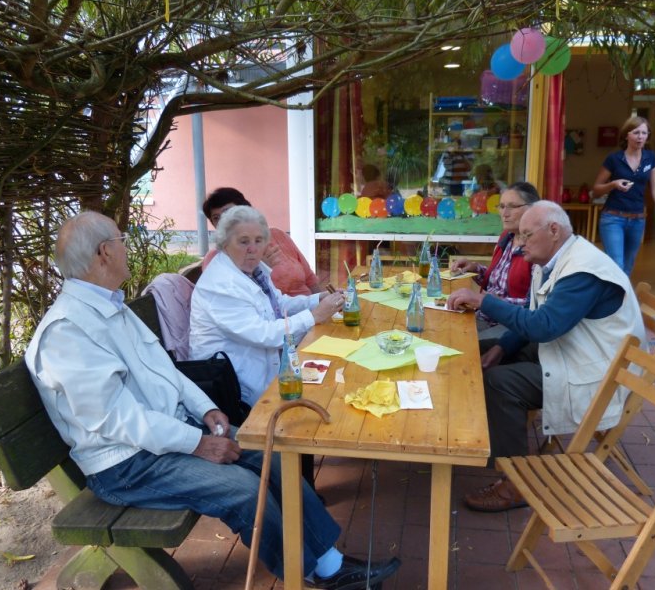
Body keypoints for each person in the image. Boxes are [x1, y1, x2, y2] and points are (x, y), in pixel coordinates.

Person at [25, 211, 400, 589]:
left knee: (274, 456)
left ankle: (331, 564)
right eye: (122, 240)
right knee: (244, 490)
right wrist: (197, 442)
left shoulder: (110, 306)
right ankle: (310, 571)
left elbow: (167, 370)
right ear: (105, 252)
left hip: (167, 434)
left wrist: (205, 407)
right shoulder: (68, 331)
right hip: (126, 465)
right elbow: (117, 421)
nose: (126, 247)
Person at [447, 201, 646, 513]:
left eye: (527, 235)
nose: (520, 244)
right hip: (572, 351)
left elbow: (544, 326)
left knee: (499, 382)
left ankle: (516, 484)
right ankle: (473, 436)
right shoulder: (557, 260)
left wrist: (484, 301)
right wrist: (502, 347)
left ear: (554, 230)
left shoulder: (583, 270)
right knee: (478, 351)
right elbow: (535, 314)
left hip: (598, 374)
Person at [191, 205, 342, 405]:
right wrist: (314, 316)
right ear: (224, 244)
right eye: (243, 241)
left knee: (335, 378)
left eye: (258, 240)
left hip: (267, 366)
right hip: (234, 388)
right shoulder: (222, 284)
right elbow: (263, 333)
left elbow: (278, 304)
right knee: (330, 393)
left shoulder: (252, 269)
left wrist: (317, 299)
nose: (253, 249)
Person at [449, 181, 540, 342]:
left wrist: (487, 301)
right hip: (483, 315)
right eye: (501, 206)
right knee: (442, 329)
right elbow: (498, 282)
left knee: (459, 342)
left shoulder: (538, 248)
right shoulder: (507, 237)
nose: (504, 213)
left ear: (533, 209)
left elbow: (534, 306)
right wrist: (475, 268)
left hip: (507, 326)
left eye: (512, 206)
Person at [201, 187, 322, 296]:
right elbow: (239, 299)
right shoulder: (216, 259)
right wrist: (258, 267)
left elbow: (310, 279)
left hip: (306, 306)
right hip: (274, 312)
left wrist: (323, 301)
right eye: (216, 218)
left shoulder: (278, 235)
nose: (224, 221)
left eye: (228, 213)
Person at [592, 115, 655, 276]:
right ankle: (613, 292)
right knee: (617, 264)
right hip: (613, 218)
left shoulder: (650, 158)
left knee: (627, 266)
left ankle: (618, 293)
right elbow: (596, 190)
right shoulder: (614, 159)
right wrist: (613, 184)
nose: (640, 137)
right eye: (636, 132)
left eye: (644, 133)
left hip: (638, 219)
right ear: (626, 135)